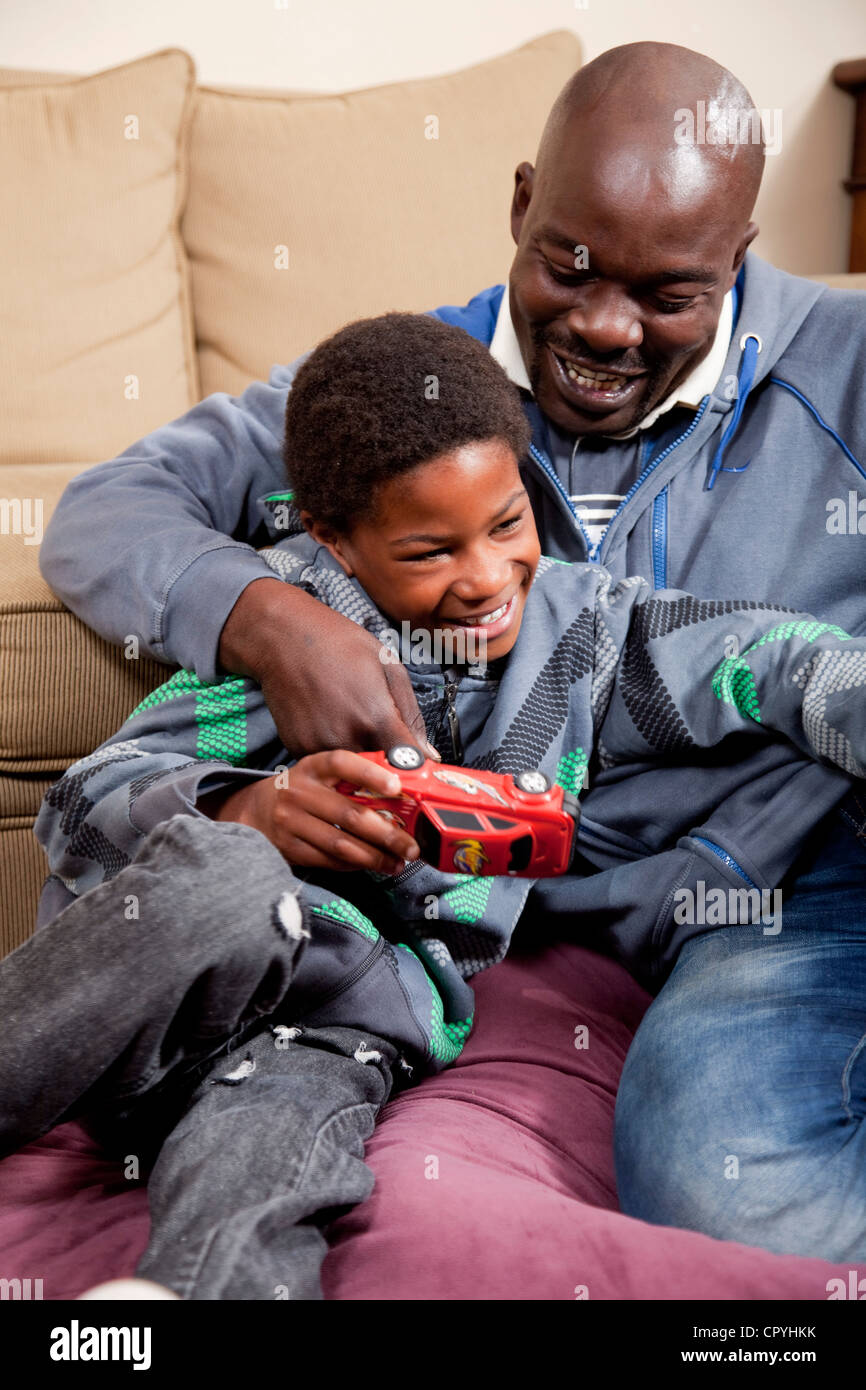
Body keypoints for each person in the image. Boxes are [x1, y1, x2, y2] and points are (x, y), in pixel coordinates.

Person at [37, 43, 866, 1260]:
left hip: (818, 864)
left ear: (736, 261)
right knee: (725, 1194)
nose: (600, 325)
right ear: (520, 203)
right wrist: (276, 626)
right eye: (567, 263)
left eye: (666, 295)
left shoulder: (839, 372)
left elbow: (767, 659)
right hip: (609, 936)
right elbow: (108, 511)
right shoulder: (405, 392)